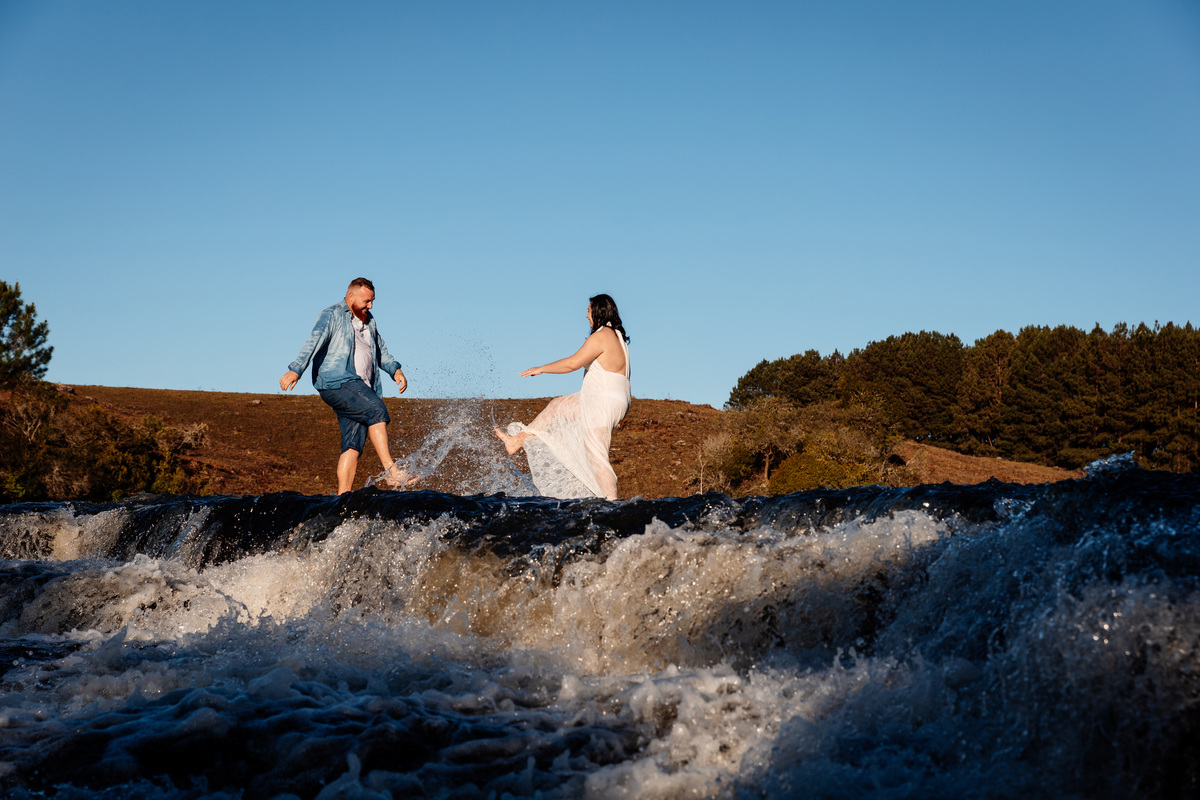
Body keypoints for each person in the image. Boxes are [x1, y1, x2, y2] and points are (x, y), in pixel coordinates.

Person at [279, 278, 414, 494]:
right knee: (377, 410)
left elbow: (380, 351)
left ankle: (342, 498)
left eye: (372, 301)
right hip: (338, 381)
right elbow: (313, 342)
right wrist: (296, 369)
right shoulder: (332, 314)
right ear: (351, 296)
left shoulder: (369, 322)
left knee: (353, 445)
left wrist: (395, 370)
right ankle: (392, 472)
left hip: (362, 387)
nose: (370, 306)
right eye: (366, 301)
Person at [494, 294, 631, 500]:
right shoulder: (618, 337)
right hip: (612, 398)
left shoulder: (602, 336)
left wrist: (541, 369)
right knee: (556, 407)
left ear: (598, 311)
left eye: (589, 311)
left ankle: (612, 503)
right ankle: (518, 440)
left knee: (596, 456)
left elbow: (572, 363)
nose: (586, 316)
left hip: (602, 401)